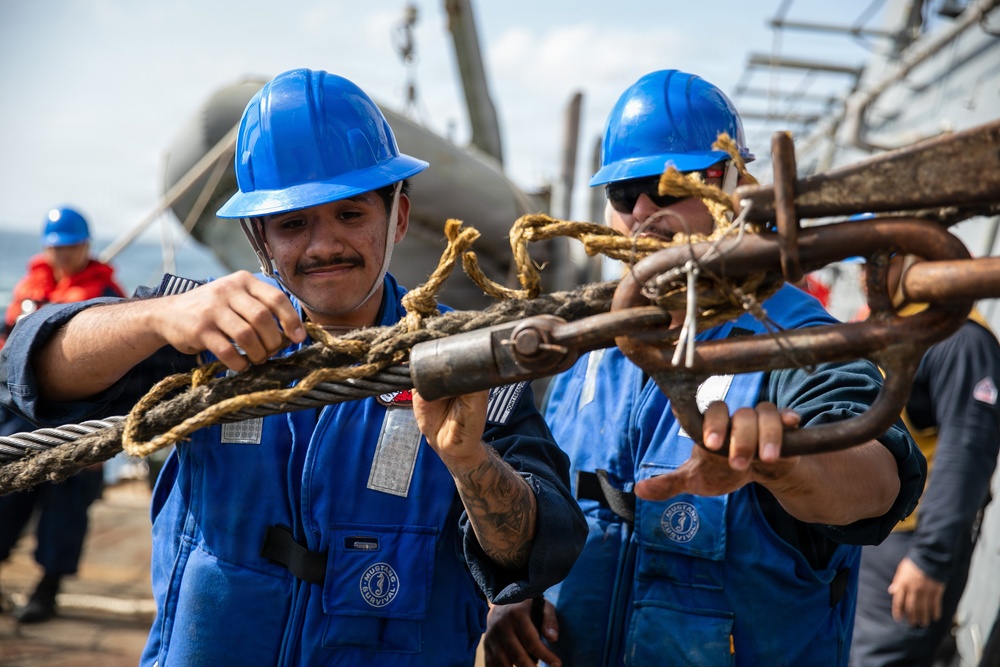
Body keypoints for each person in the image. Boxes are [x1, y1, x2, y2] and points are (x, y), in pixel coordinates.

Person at [0, 68, 586, 666]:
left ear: (399, 218)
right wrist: (159, 317)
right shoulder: (202, 330)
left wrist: (471, 463)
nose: (322, 245)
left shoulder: (467, 361)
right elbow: (29, 372)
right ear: (259, 238)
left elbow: (540, 550)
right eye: (293, 223)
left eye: (350, 215)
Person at [482, 69, 924, 667]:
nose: (642, 209)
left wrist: (786, 465)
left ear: (734, 186)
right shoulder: (591, 347)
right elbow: (546, 492)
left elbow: (878, 482)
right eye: (623, 193)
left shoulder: (797, 338)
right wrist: (516, 592)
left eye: (669, 186)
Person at [850, 253, 1000, 667]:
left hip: (907, 550)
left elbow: (966, 454)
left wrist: (929, 560)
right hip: (865, 537)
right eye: (861, 264)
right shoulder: (895, 325)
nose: (864, 275)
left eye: (877, 262)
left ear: (917, 255)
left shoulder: (961, 338)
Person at [0, 206, 124, 623]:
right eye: (57, 247)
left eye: (71, 246)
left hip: (78, 419)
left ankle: (47, 590)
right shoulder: (30, 286)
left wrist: (103, 441)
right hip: (21, 415)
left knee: (66, 511)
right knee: (6, 500)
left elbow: (125, 370)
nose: (63, 254)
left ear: (86, 246)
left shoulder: (106, 293)